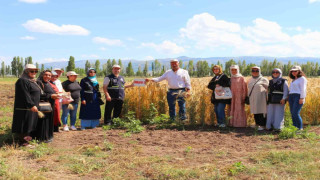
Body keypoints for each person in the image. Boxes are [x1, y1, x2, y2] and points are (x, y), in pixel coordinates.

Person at [12, 64, 40, 145]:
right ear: (26, 71)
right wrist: (31, 104)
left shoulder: (32, 81)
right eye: (32, 71)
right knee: (25, 125)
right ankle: (23, 143)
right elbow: (25, 94)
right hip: (26, 108)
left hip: (32, 108)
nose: (34, 72)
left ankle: (28, 141)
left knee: (30, 124)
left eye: (35, 71)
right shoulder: (22, 80)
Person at [36, 70, 60, 142]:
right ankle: (42, 138)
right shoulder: (39, 83)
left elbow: (50, 92)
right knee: (43, 121)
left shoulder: (48, 83)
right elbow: (39, 95)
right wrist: (51, 96)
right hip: (43, 105)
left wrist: (56, 94)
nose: (47, 76)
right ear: (42, 75)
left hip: (50, 105)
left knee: (49, 121)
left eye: (49, 75)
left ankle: (48, 136)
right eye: (46, 75)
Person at [247, 66, 269, 131]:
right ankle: (257, 124)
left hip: (261, 98)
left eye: (257, 71)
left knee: (261, 111)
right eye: (253, 71)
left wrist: (267, 98)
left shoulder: (263, 79)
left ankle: (262, 125)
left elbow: (268, 89)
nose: (255, 72)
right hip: (252, 98)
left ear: (260, 71)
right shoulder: (250, 79)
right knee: (255, 111)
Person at [288, 65, 307, 130]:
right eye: (292, 71)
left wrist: (302, 98)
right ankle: (294, 127)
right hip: (291, 96)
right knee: (292, 113)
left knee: (295, 113)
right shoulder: (293, 79)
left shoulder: (302, 78)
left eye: (295, 71)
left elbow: (303, 89)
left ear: (299, 71)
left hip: (298, 96)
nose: (293, 72)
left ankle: (300, 128)